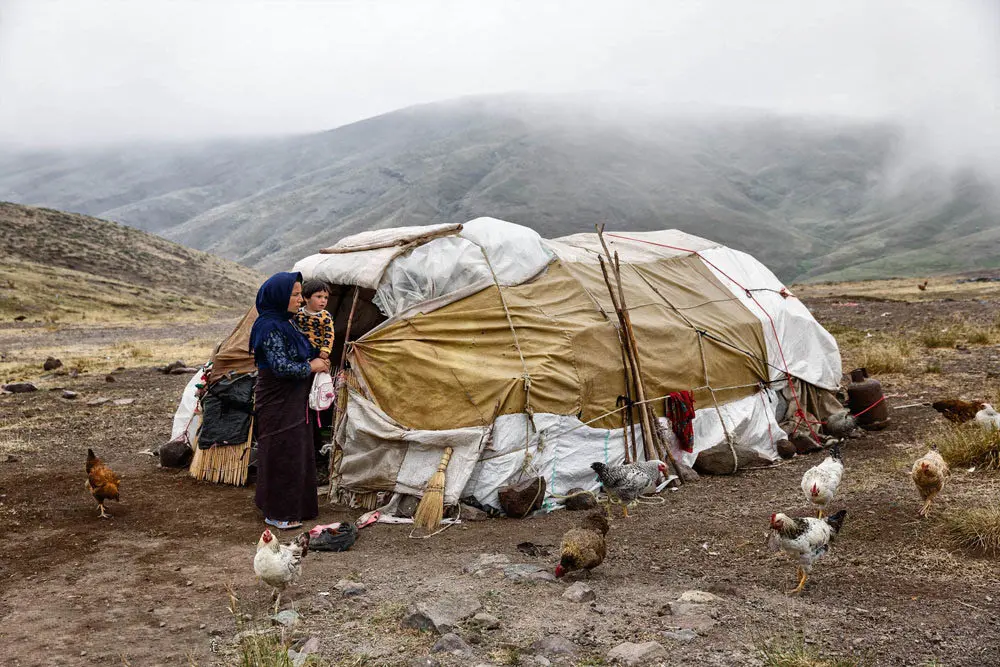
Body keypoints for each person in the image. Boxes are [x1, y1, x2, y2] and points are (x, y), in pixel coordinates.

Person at [249, 272, 329, 530]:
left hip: (294, 399)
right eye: (294, 295)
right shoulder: (269, 326)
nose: (299, 299)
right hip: (277, 399)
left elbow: (301, 351)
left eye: (299, 294)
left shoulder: (288, 323)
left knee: (298, 450)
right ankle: (279, 512)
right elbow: (281, 367)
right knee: (283, 451)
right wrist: (312, 366)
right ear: (279, 296)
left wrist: (321, 358)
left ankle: (299, 507)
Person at [293, 280, 335, 361]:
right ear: (306, 298)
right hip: (299, 348)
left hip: (316, 351)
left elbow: (329, 334)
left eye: (326, 297)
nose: (323, 300)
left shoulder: (326, 316)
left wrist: (325, 349)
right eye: (319, 297)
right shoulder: (298, 313)